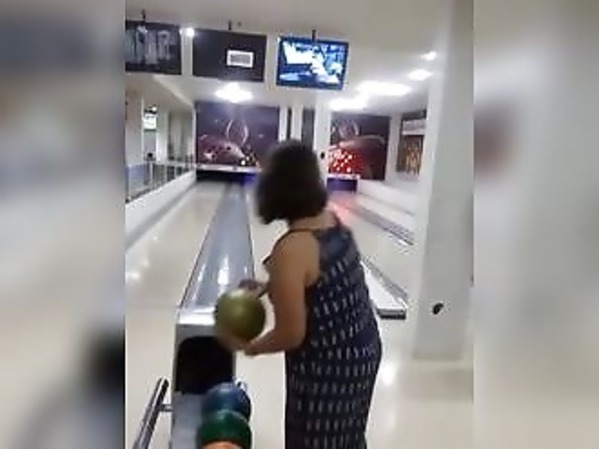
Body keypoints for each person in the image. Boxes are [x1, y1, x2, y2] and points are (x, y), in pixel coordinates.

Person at [219, 140, 382, 449]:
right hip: (364, 348)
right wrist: (271, 286)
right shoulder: (331, 220)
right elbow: (322, 282)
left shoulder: (292, 249)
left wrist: (250, 347)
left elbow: (291, 334)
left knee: (313, 440)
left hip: (328, 369)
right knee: (348, 438)